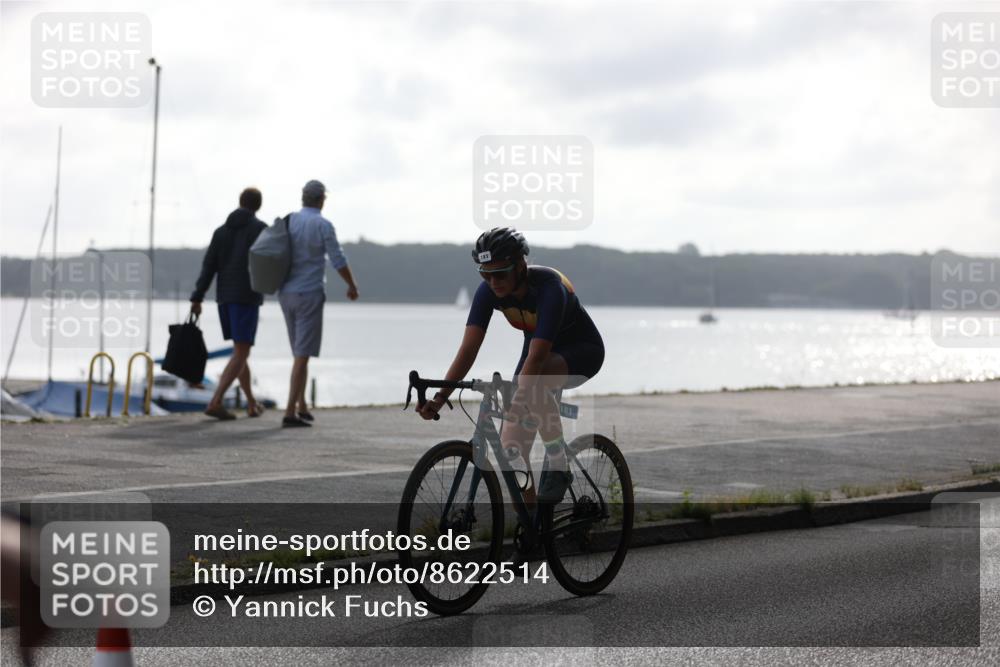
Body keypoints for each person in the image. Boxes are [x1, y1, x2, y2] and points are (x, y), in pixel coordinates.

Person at [417, 227, 604, 507]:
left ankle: (558, 463)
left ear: (520, 266)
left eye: (500, 274)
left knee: (533, 385)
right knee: (511, 450)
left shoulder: (549, 287)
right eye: (485, 274)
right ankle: (531, 518)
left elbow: (537, 358)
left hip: (581, 351)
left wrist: (518, 400)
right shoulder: (488, 292)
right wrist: (441, 397)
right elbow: (468, 350)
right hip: (537, 354)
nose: (493, 282)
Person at [278, 179, 359, 428]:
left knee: (298, 354)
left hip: (285, 293)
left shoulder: (289, 220)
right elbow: (337, 259)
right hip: (309, 293)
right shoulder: (323, 225)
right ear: (321, 199)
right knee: (302, 356)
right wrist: (351, 285)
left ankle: (301, 405)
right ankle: (290, 412)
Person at [190, 187, 268, 420]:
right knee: (241, 352)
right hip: (246, 297)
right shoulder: (260, 230)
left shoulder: (221, 232)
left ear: (240, 201)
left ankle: (251, 403)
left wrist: (197, 296)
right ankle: (215, 401)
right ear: (258, 206)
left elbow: (209, 266)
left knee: (239, 352)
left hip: (224, 297)